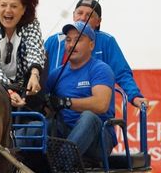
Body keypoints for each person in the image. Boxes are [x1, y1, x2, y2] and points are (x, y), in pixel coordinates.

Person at [44, 0, 147, 108]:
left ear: (98, 22)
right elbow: (39, 72)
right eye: (79, 13)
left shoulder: (106, 41)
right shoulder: (54, 41)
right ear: (73, 15)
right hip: (56, 109)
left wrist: (135, 96)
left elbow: (122, 73)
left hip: (92, 110)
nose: (83, 18)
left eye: (89, 15)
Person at [45, 20, 117, 160]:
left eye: (78, 40)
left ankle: (62, 167)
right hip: (65, 133)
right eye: (68, 40)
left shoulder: (100, 69)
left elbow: (101, 105)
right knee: (38, 125)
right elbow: (42, 103)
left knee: (89, 117)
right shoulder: (56, 74)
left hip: (98, 139)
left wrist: (65, 103)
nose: (71, 45)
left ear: (91, 45)